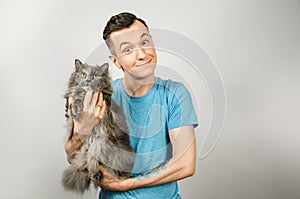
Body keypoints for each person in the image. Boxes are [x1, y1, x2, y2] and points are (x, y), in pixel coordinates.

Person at [65, 12, 198, 199]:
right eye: (128, 50)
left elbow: (186, 164)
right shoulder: (100, 96)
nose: (142, 54)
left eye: (144, 42)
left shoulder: (175, 93)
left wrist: (127, 184)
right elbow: (72, 156)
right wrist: (83, 129)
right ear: (115, 61)